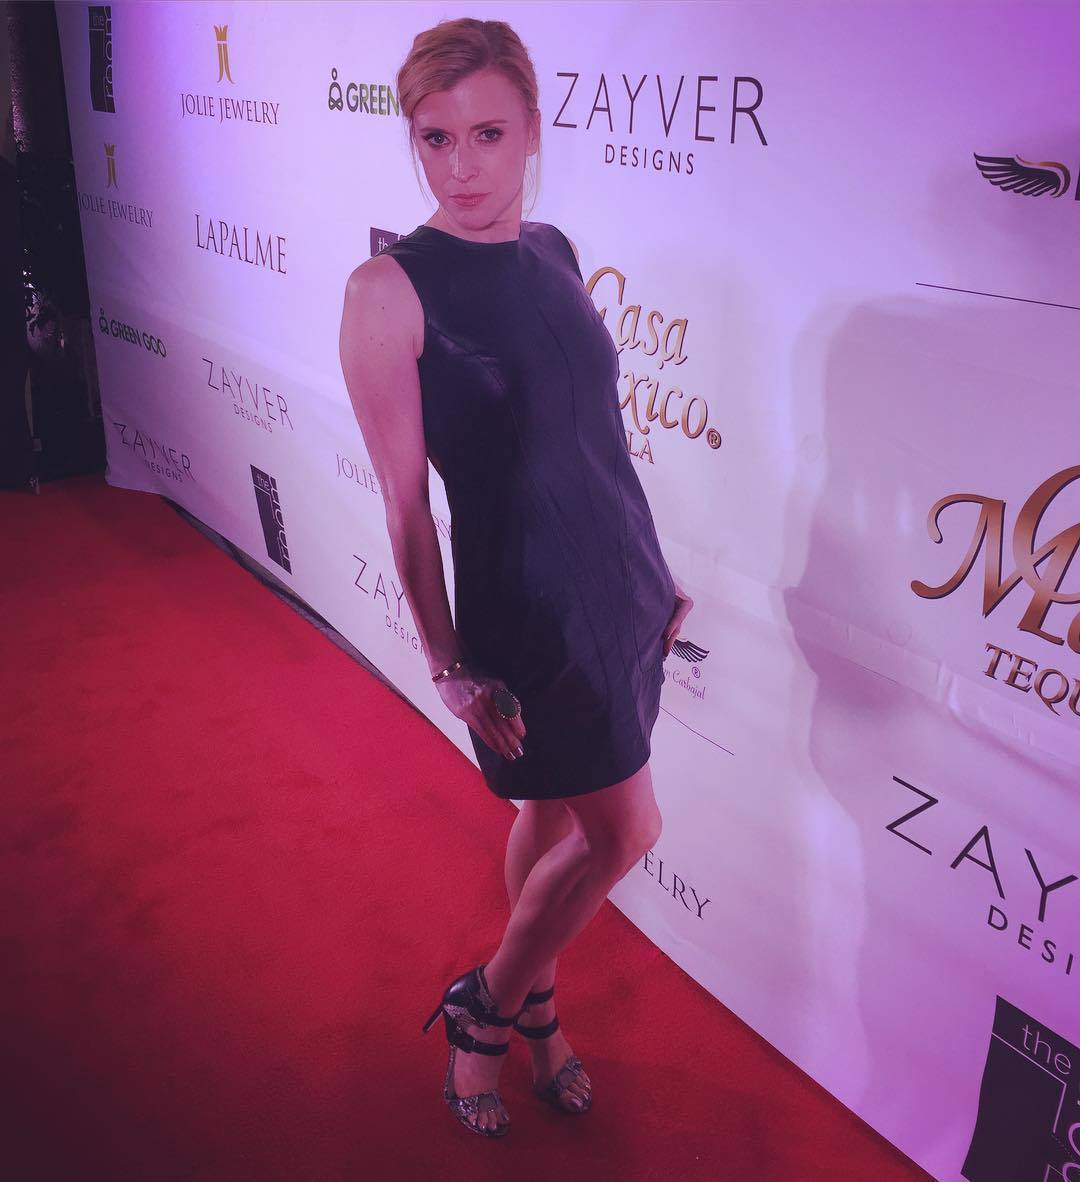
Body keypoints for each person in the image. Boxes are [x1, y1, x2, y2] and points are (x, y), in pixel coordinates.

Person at [337, 17, 693, 1139]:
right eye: (435, 138)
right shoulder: (388, 290)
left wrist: (653, 568)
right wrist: (446, 660)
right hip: (529, 610)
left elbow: (596, 441)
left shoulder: (554, 249)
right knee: (626, 833)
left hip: (621, 586)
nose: (462, 166)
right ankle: (485, 1007)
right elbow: (407, 505)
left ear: (533, 129)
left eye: (488, 134)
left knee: (550, 809)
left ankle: (536, 1001)